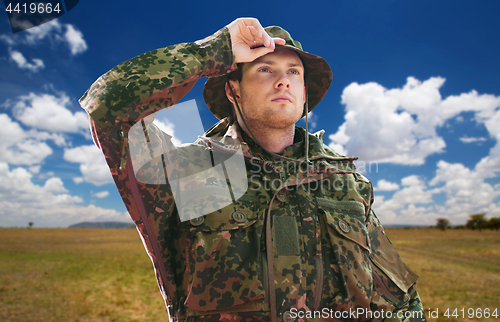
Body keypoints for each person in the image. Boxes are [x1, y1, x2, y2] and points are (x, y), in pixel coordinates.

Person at [80, 18, 426, 322]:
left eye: (294, 72)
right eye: (264, 69)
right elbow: (108, 107)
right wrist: (214, 52)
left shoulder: (346, 182)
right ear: (233, 89)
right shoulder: (188, 172)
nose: (283, 81)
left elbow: (398, 297)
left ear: (304, 93)